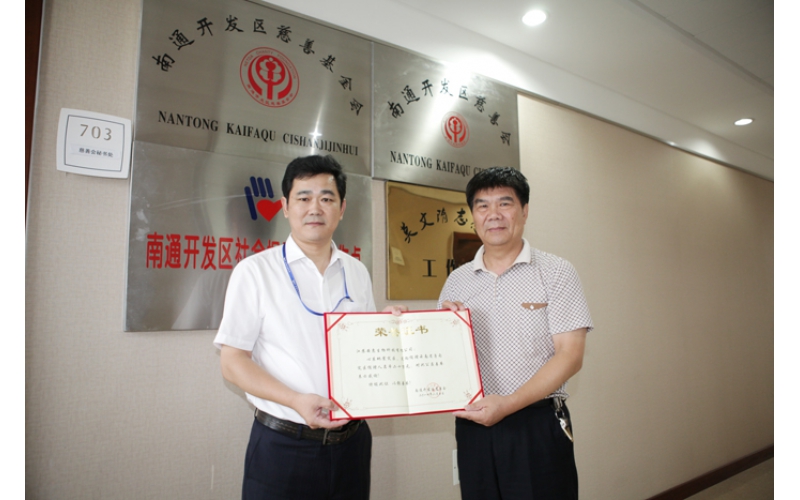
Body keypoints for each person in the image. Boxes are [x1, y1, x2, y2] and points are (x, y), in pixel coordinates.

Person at [214, 155, 404, 499]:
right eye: (303, 198)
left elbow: (365, 349)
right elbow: (232, 362)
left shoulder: (356, 271)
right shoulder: (254, 271)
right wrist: (296, 400)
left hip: (352, 442)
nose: (315, 208)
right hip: (284, 445)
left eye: (327, 198)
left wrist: (391, 328)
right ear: (285, 207)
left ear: (341, 208)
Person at [439, 166, 593, 500]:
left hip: (535, 424)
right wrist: (436, 331)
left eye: (504, 203)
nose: (493, 214)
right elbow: (444, 359)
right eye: (482, 205)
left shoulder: (556, 272)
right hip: (474, 426)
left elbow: (570, 355)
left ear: (524, 210)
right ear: (473, 215)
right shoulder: (456, 281)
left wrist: (508, 404)